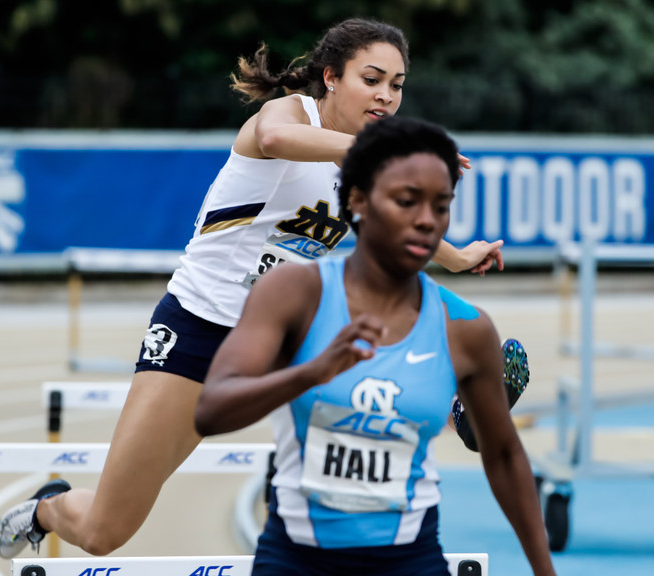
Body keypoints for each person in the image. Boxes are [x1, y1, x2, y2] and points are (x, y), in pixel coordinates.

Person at [0, 17, 505, 559]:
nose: (385, 96)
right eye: (372, 79)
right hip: (197, 328)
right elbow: (274, 138)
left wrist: (458, 257)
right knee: (105, 531)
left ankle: (455, 390)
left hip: (278, 333)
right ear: (331, 77)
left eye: (397, 85)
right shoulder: (287, 115)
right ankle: (48, 507)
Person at [194, 116, 555, 575]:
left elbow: (504, 456)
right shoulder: (294, 294)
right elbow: (211, 409)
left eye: (441, 206)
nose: (427, 220)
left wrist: (545, 571)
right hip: (296, 561)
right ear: (358, 201)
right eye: (407, 202)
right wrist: (311, 372)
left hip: (411, 560)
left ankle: (459, 410)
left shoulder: (466, 328)